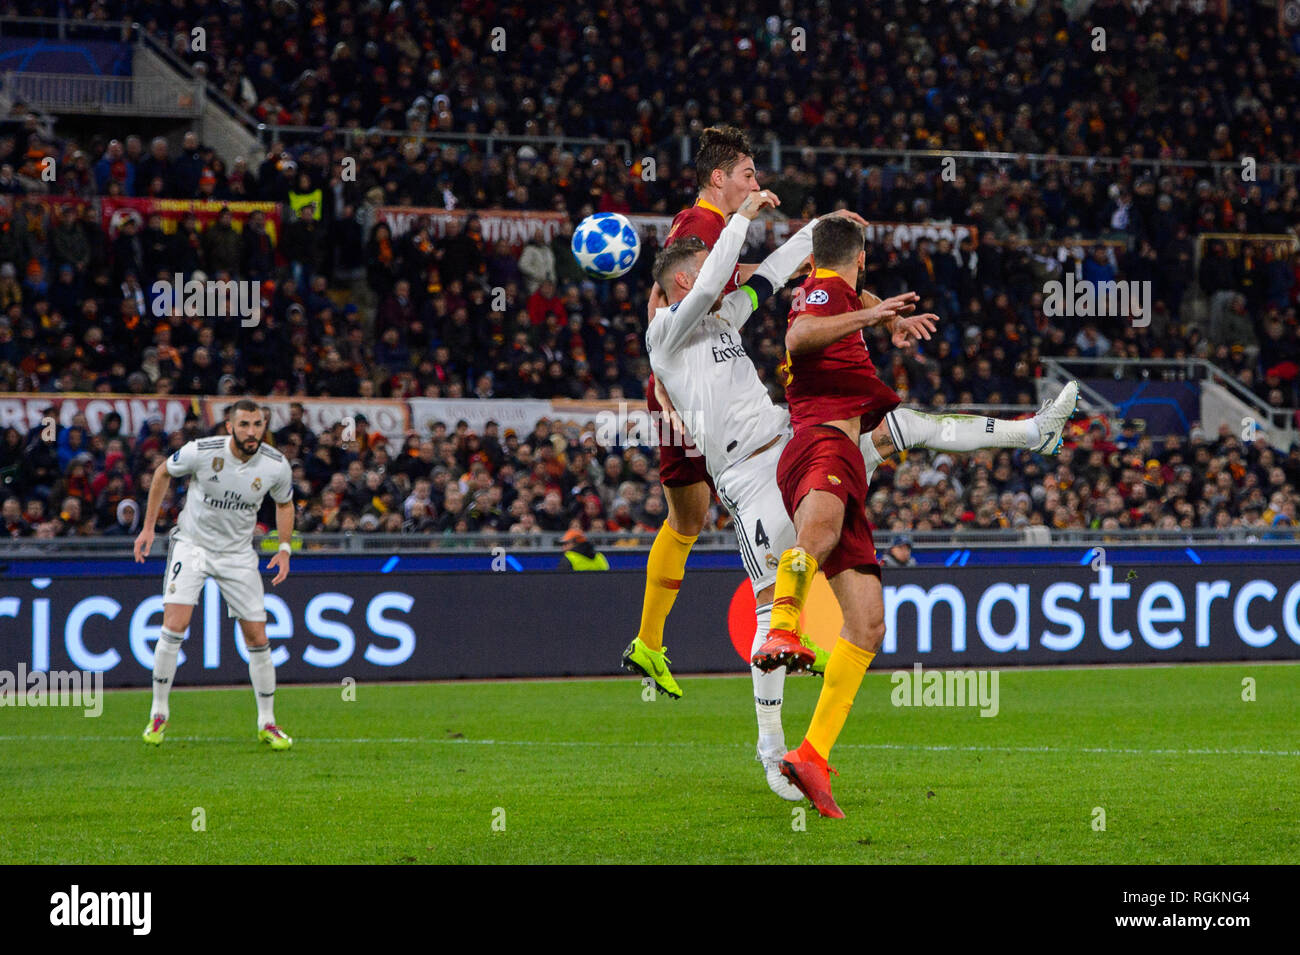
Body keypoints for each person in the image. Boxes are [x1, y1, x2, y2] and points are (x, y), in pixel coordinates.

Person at [752, 217, 1071, 818]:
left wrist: (885, 315)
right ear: (862, 259)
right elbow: (799, 339)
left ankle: (811, 756)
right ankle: (783, 626)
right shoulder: (824, 294)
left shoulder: (832, 287)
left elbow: (843, 297)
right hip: (821, 443)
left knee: (868, 624)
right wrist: (877, 317)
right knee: (817, 534)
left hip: (842, 450)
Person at [133, 399, 296, 750]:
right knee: (175, 624)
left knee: (257, 636)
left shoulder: (275, 465)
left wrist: (284, 548)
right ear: (230, 427)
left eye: (258, 424)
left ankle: (267, 721)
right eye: (245, 425)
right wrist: (148, 529)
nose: (252, 432)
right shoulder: (202, 452)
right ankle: (159, 711)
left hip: (238, 553)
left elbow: (284, 504)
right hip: (192, 545)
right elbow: (162, 472)